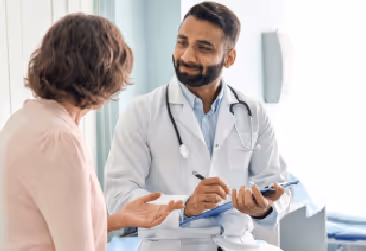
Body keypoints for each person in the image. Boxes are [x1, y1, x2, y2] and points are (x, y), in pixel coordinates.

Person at [104, 1, 290, 250]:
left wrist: (263, 209)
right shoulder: (141, 113)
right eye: (182, 43)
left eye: (203, 48)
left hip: (237, 244)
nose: (187, 56)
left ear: (229, 57)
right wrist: (186, 205)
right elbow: (118, 198)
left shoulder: (252, 112)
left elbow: (278, 186)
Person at [0, 14, 183, 251]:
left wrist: (122, 219)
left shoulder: (23, 120)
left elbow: (53, 228)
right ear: (103, 77)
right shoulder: (60, 140)